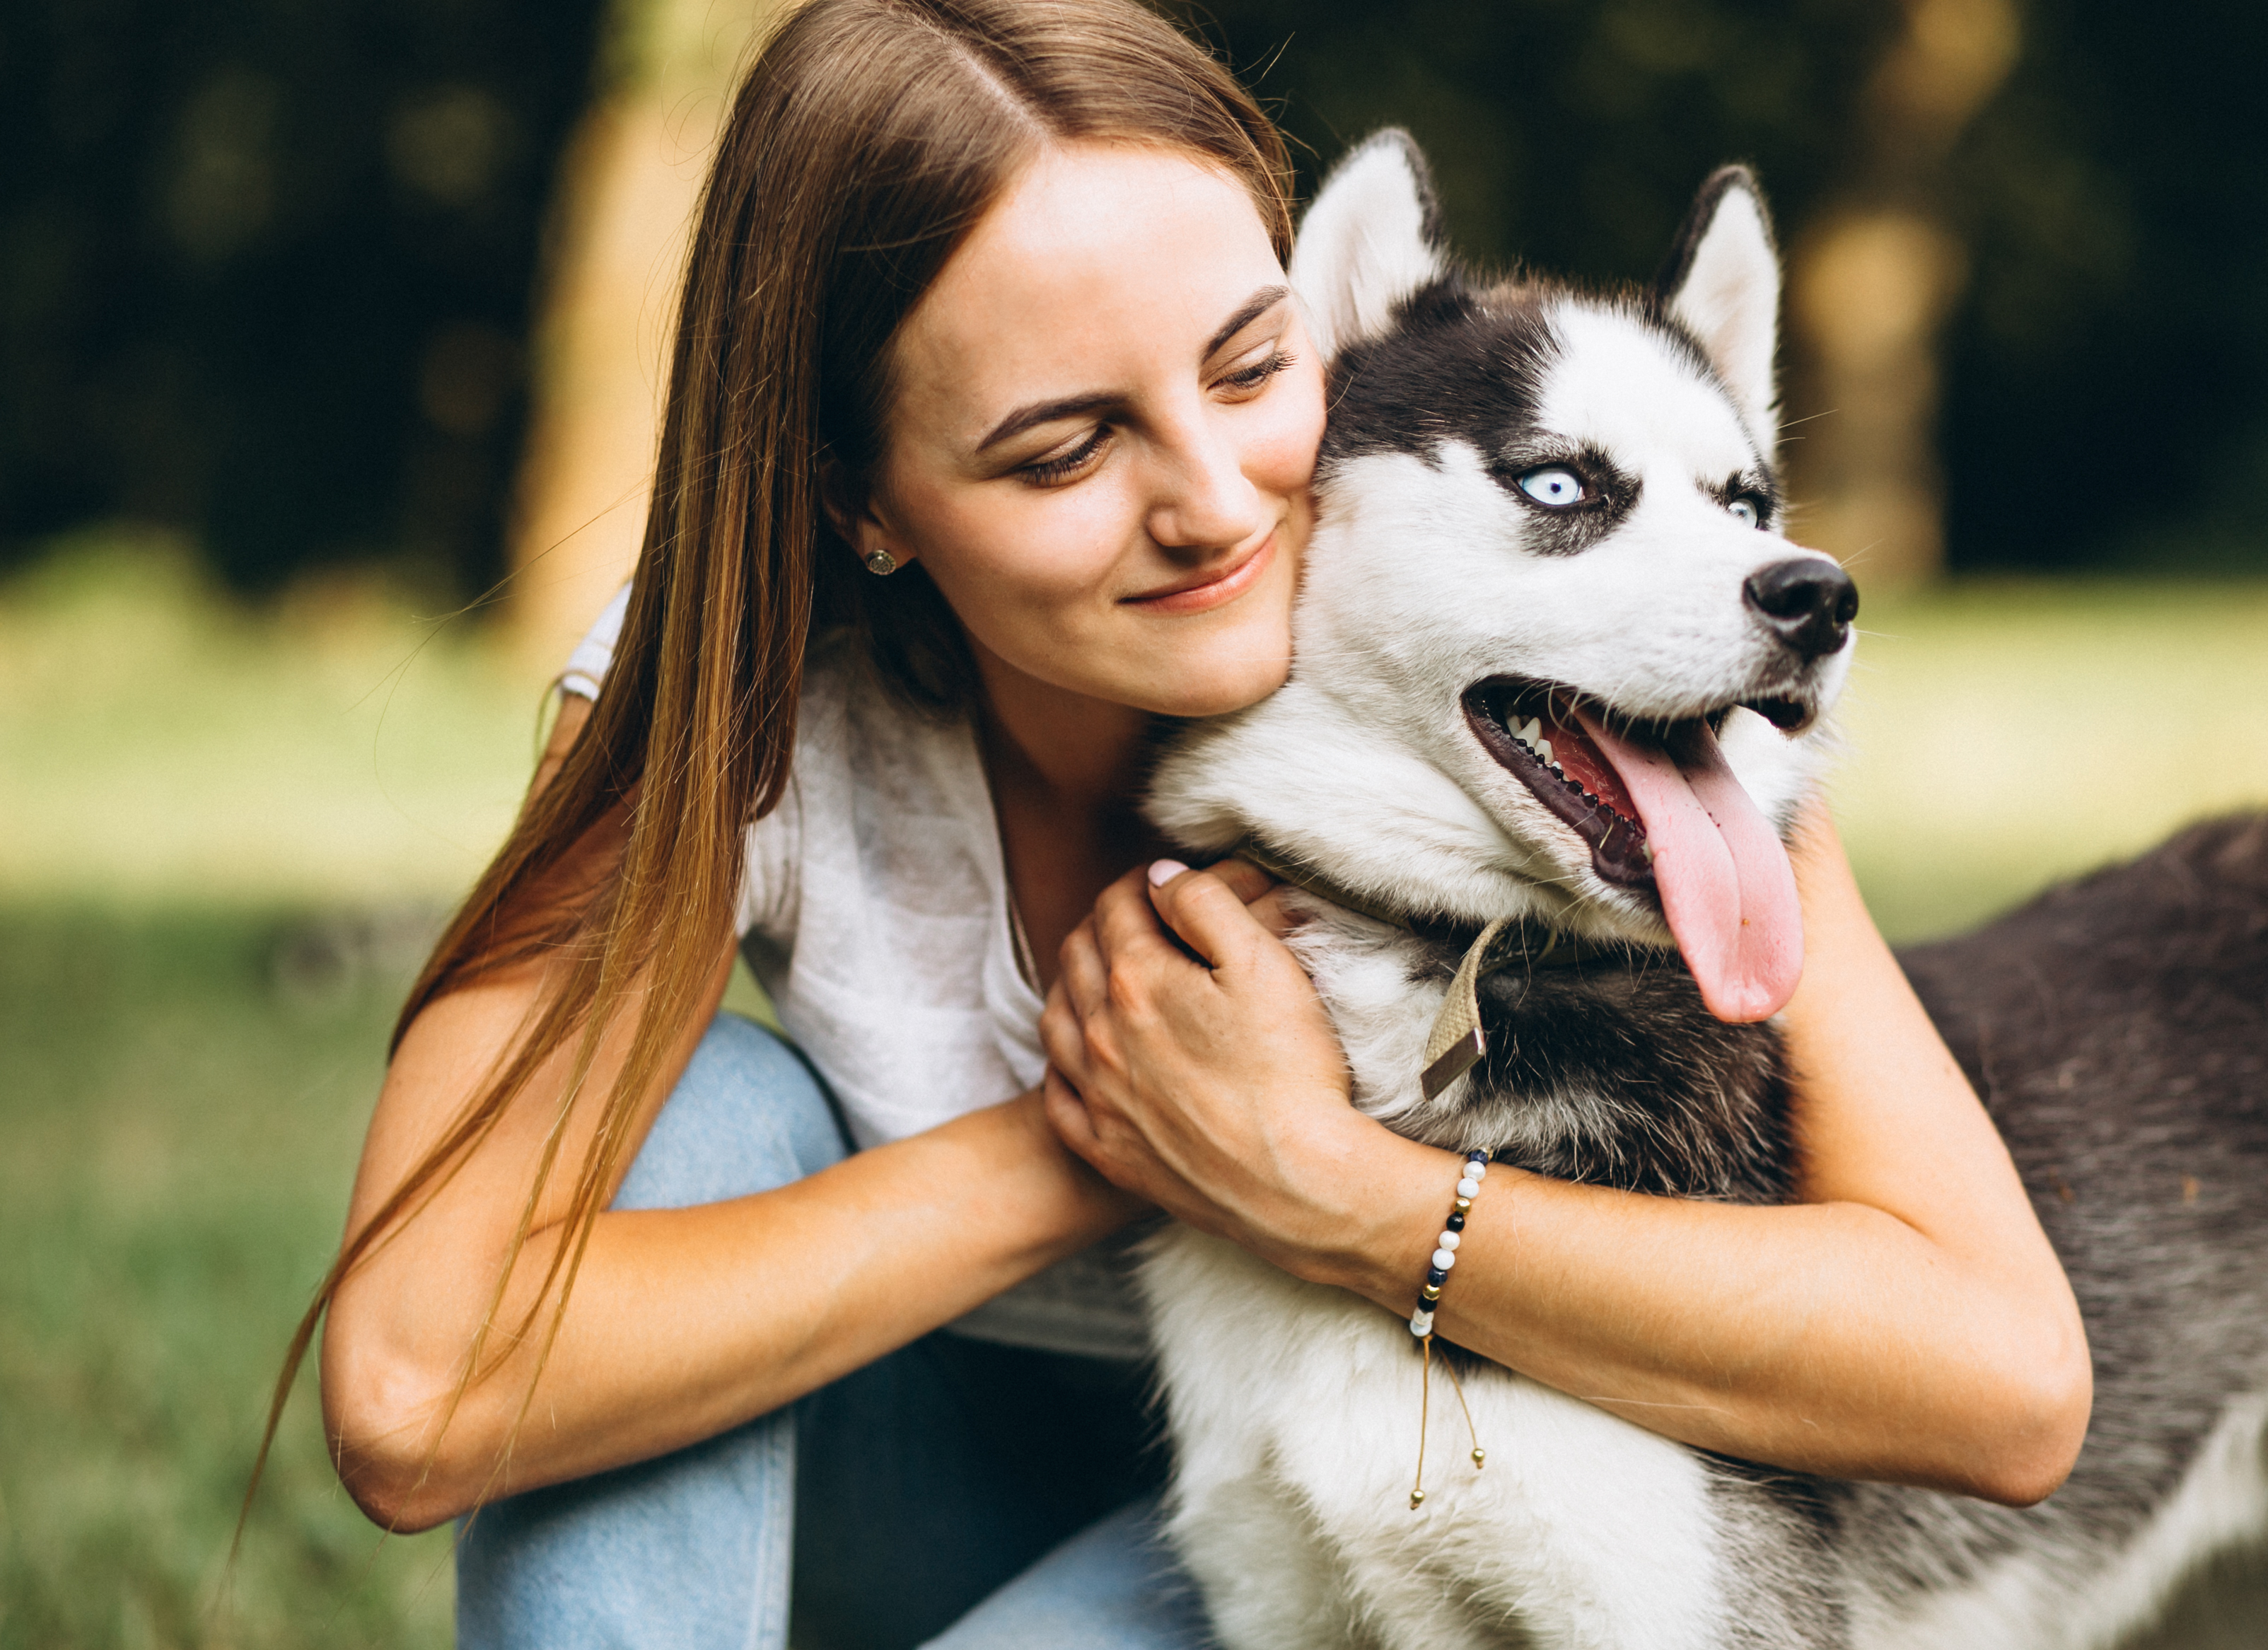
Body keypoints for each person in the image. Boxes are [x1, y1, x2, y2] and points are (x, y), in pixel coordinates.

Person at [292, 1, 2092, 1644]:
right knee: (707, 1102)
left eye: (1249, 366)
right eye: (1064, 451)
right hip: (932, 1449)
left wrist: (1339, 1191)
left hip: (1335, 1512)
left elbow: (2000, 1380)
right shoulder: (736, 705)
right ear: (863, 501)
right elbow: (415, 1387)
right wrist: (1112, 1132)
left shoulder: (1578, 679)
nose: (1222, 504)